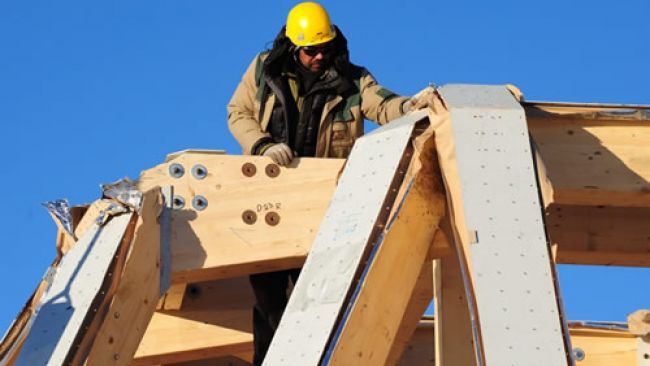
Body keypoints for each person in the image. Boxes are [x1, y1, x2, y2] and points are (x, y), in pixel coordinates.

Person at [227, 2, 429, 364]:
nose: (320, 56)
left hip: (324, 207)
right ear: (293, 47)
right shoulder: (263, 69)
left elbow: (382, 105)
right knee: (269, 298)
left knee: (317, 298)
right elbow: (237, 112)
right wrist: (263, 145)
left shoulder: (351, 80)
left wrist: (417, 106)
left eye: (325, 47)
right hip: (269, 200)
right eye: (311, 50)